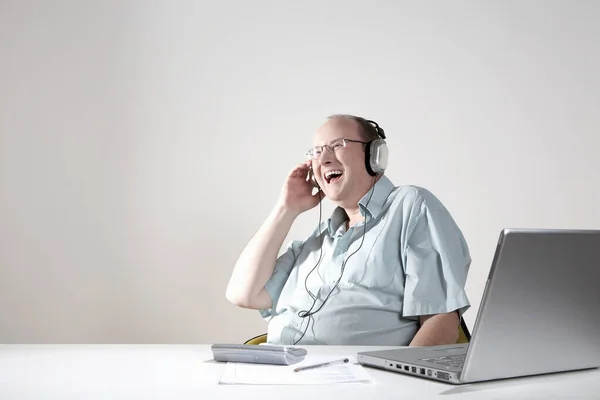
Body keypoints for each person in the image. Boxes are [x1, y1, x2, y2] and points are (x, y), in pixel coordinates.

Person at [226, 114, 471, 346]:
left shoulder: (410, 206)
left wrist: (401, 385)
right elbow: (243, 294)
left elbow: (442, 320)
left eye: (337, 145)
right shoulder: (317, 241)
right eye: (317, 152)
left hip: (354, 384)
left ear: (375, 155)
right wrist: (285, 209)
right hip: (280, 374)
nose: (323, 159)